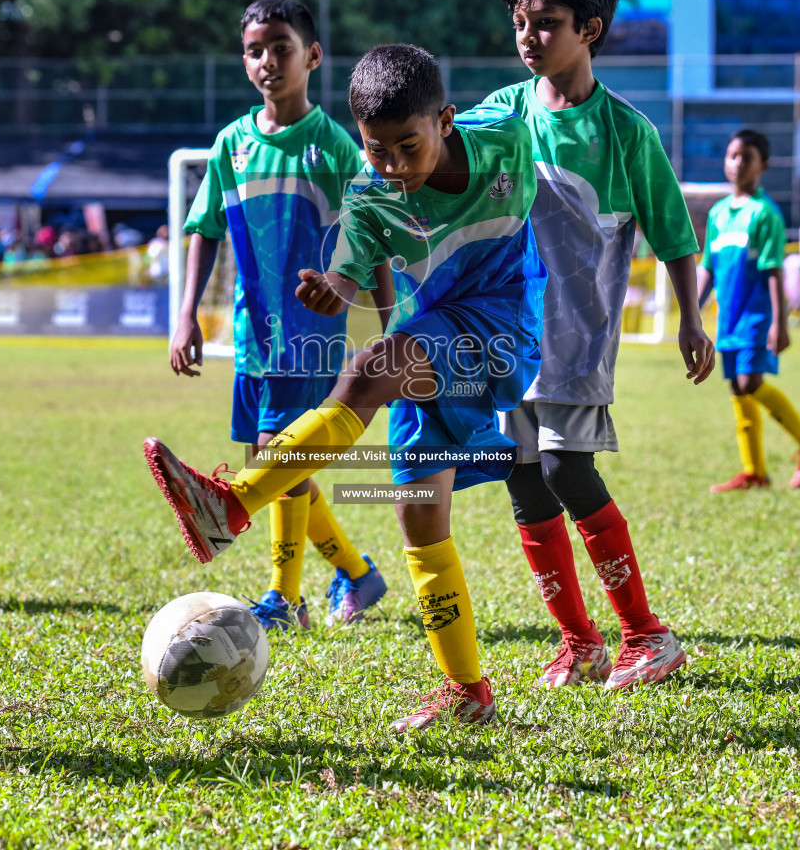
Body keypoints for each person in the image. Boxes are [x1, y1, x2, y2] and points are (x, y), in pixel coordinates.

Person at [146, 44, 545, 732]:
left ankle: (232, 506)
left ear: (447, 121)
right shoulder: (371, 191)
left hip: (505, 323)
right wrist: (334, 286)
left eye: (406, 146)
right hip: (436, 330)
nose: (391, 165)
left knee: (367, 369)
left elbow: (558, 94)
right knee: (419, 516)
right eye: (375, 150)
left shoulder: (507, 131)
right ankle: (467, 692)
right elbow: (351, 265)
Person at [482, 0, 713, 691]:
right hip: (507, 342)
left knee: (563, 468)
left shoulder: (624, 132)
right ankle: (578, 642)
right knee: (521, 478)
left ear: (593, 28)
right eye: (520, 22)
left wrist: (689, 318)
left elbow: (675, 230)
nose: (528, 37)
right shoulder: (499, 115)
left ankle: (648, 634)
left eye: (546, 23)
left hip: (578, 342)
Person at [170, 0, 390, 631]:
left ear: (312, 56)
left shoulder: (337, 148)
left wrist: (389, 321)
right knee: (273, 466)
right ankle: (354, 571)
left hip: (311, 337)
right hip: (251, 334)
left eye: (282, 47)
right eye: (255, 50)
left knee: (275, 458)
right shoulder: (231, 146)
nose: (269, 60)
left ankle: (283, 599)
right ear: (244, 62)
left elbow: (372, 235)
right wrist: (186, 315)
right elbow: (204, 229)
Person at [699, 130, 800, 492]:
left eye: (746, 157)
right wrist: (692, 313)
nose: (737, 163)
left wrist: (780, 321)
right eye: (732, 155)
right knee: (738, 389)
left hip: (756, 317)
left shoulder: (765, 213)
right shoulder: (718, 214)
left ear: (764, 165)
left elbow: (774, 271)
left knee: (749, 382)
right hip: (728, 318)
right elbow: (708, 268)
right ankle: (754, 472)